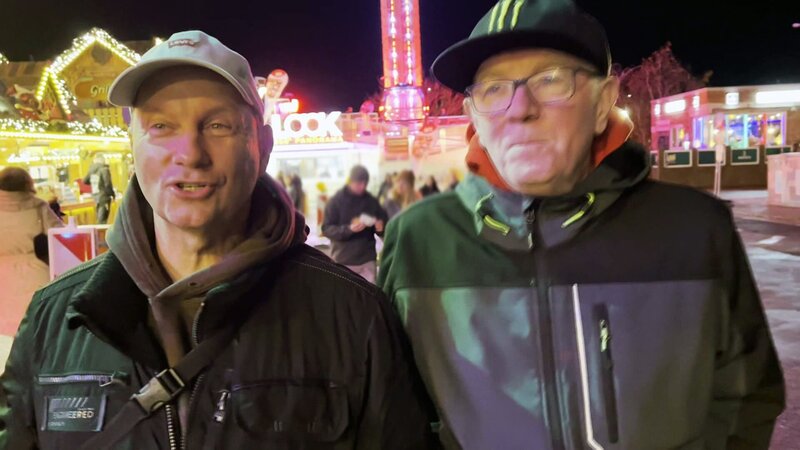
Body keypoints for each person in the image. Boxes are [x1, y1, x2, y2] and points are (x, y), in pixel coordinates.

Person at [0, 31, 436, 449]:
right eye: (161, 126)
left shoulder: (355, 317)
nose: (190, 152)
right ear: (133, 144)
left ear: (262, 146)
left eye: (218, 125)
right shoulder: (54, 319)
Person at [378, 1, 785, 448]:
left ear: (602, 102)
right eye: (493, 90)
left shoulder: (694, 229)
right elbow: (396, 413)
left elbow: (746, 396)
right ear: (474, 115)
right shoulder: (419, 239)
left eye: (550, 80)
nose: (520, 109)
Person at [0, 167, 63, 337]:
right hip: (36, 273)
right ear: (28, 183)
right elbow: (60, 235)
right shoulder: (38, 206)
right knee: (37, 328)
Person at [322, 165, 388, 283]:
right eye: (359, 183)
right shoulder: (336, 201)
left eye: (365, 184)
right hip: (343, 260)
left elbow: (383, 227)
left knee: (369, 297)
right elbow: (326, 229)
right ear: (350, 181)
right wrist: (348, 229)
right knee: (344, 298)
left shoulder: (371, 201)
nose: (362, 187)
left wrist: (380, 229)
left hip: (367, 261)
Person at [83, 153, 116, 224]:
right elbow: (108, 184)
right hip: (104, 197)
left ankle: (99, 234)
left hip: (95, 197)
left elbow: (85, 181)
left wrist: (93, 183)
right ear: (102, 160)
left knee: (99, 218)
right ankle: (102, 234)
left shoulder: (91, 170)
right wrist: (112, 194)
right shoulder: (104, 169)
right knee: (103, 219)